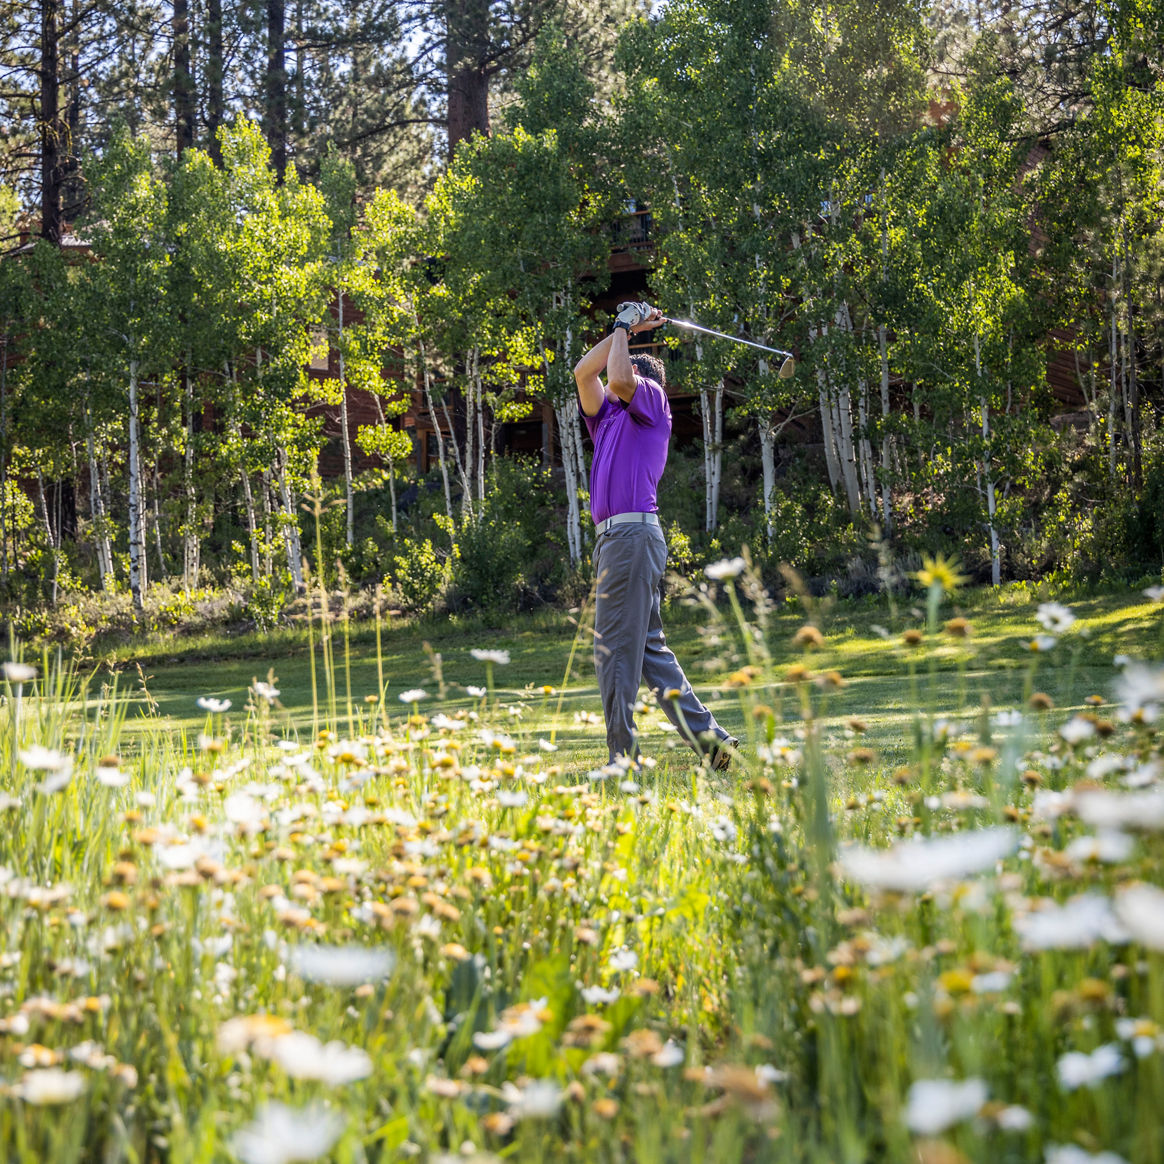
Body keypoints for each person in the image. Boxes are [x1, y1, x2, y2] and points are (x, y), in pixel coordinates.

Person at [573, 299, 738, 768]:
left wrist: (625, 329)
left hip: (630, 538)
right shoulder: (606, 418)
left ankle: (622, 762)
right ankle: (711, 742)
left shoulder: (652, 401)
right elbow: (584, 373)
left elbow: (620, 379)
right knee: (648, 652)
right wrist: (625, 328)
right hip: (620, 541)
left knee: (613, 651)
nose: (611, 387)